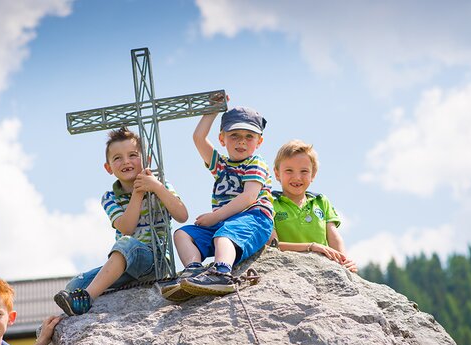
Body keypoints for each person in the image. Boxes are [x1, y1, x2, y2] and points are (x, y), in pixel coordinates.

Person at [54, 127, 188, 315]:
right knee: (75, 284)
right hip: (128, 264)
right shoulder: (110, 197)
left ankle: (87, 299)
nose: (126, 161)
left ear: (146, 160)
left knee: (126, 245)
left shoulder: (161, 185)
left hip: (155, 261)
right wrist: (138, 193)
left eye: (133, 155)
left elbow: (182, 215)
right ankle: (101, 290)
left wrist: (157, 187)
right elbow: (126, 227)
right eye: (117, 158)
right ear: (108, 167)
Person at [162, 103, 274, 301]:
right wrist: (212, 111)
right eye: (234, 136)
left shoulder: (255, 162)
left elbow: (249, 197)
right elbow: (198, 138)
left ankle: (222, 274)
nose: (242, 142)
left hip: (254, 218)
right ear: (222, 139)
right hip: (224, 224)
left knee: (223, 235)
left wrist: (214, 217)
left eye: (249, 136)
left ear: (259, 141)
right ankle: (194, 271)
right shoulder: (221, 165)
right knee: (182, 234)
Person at [271, 139, 357, 273]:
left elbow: (334, 237)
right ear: (277, 174)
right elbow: (273, 246)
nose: (297, 177)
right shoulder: (270, 203)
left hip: (322, 269)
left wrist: (344, 261)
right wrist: (311, 247)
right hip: (287, 270)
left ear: (313, 174)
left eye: (304, 171)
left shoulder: (321, 201)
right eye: (289, 170)